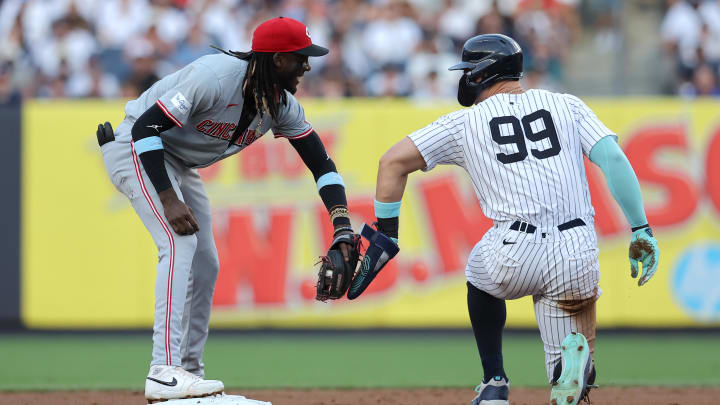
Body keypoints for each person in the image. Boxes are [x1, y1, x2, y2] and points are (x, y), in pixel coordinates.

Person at [365, 34, 660, 405]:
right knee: (567, 375)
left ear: (482, 73)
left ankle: (494, 383)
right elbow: (614, 160)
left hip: (513, 248)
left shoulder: (464, 123)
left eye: (469, 70)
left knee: (477, 275)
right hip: (578, 251)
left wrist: (386, 233)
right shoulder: (567, 105)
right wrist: (640, 228)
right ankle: (567, 371)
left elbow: (391, 162)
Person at [97, 17, 357, 403]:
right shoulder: (216, 77)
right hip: (137, 150)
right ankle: (163, 372)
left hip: (177, 163)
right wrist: (169, 200)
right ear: (278, 59)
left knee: (207, 264)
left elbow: (321, 164)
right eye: (300, 57)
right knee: (178, 241)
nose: (307, 65)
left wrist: (342, 227)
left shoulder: (279, 103)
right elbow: (145, 130)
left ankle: (189, 375)